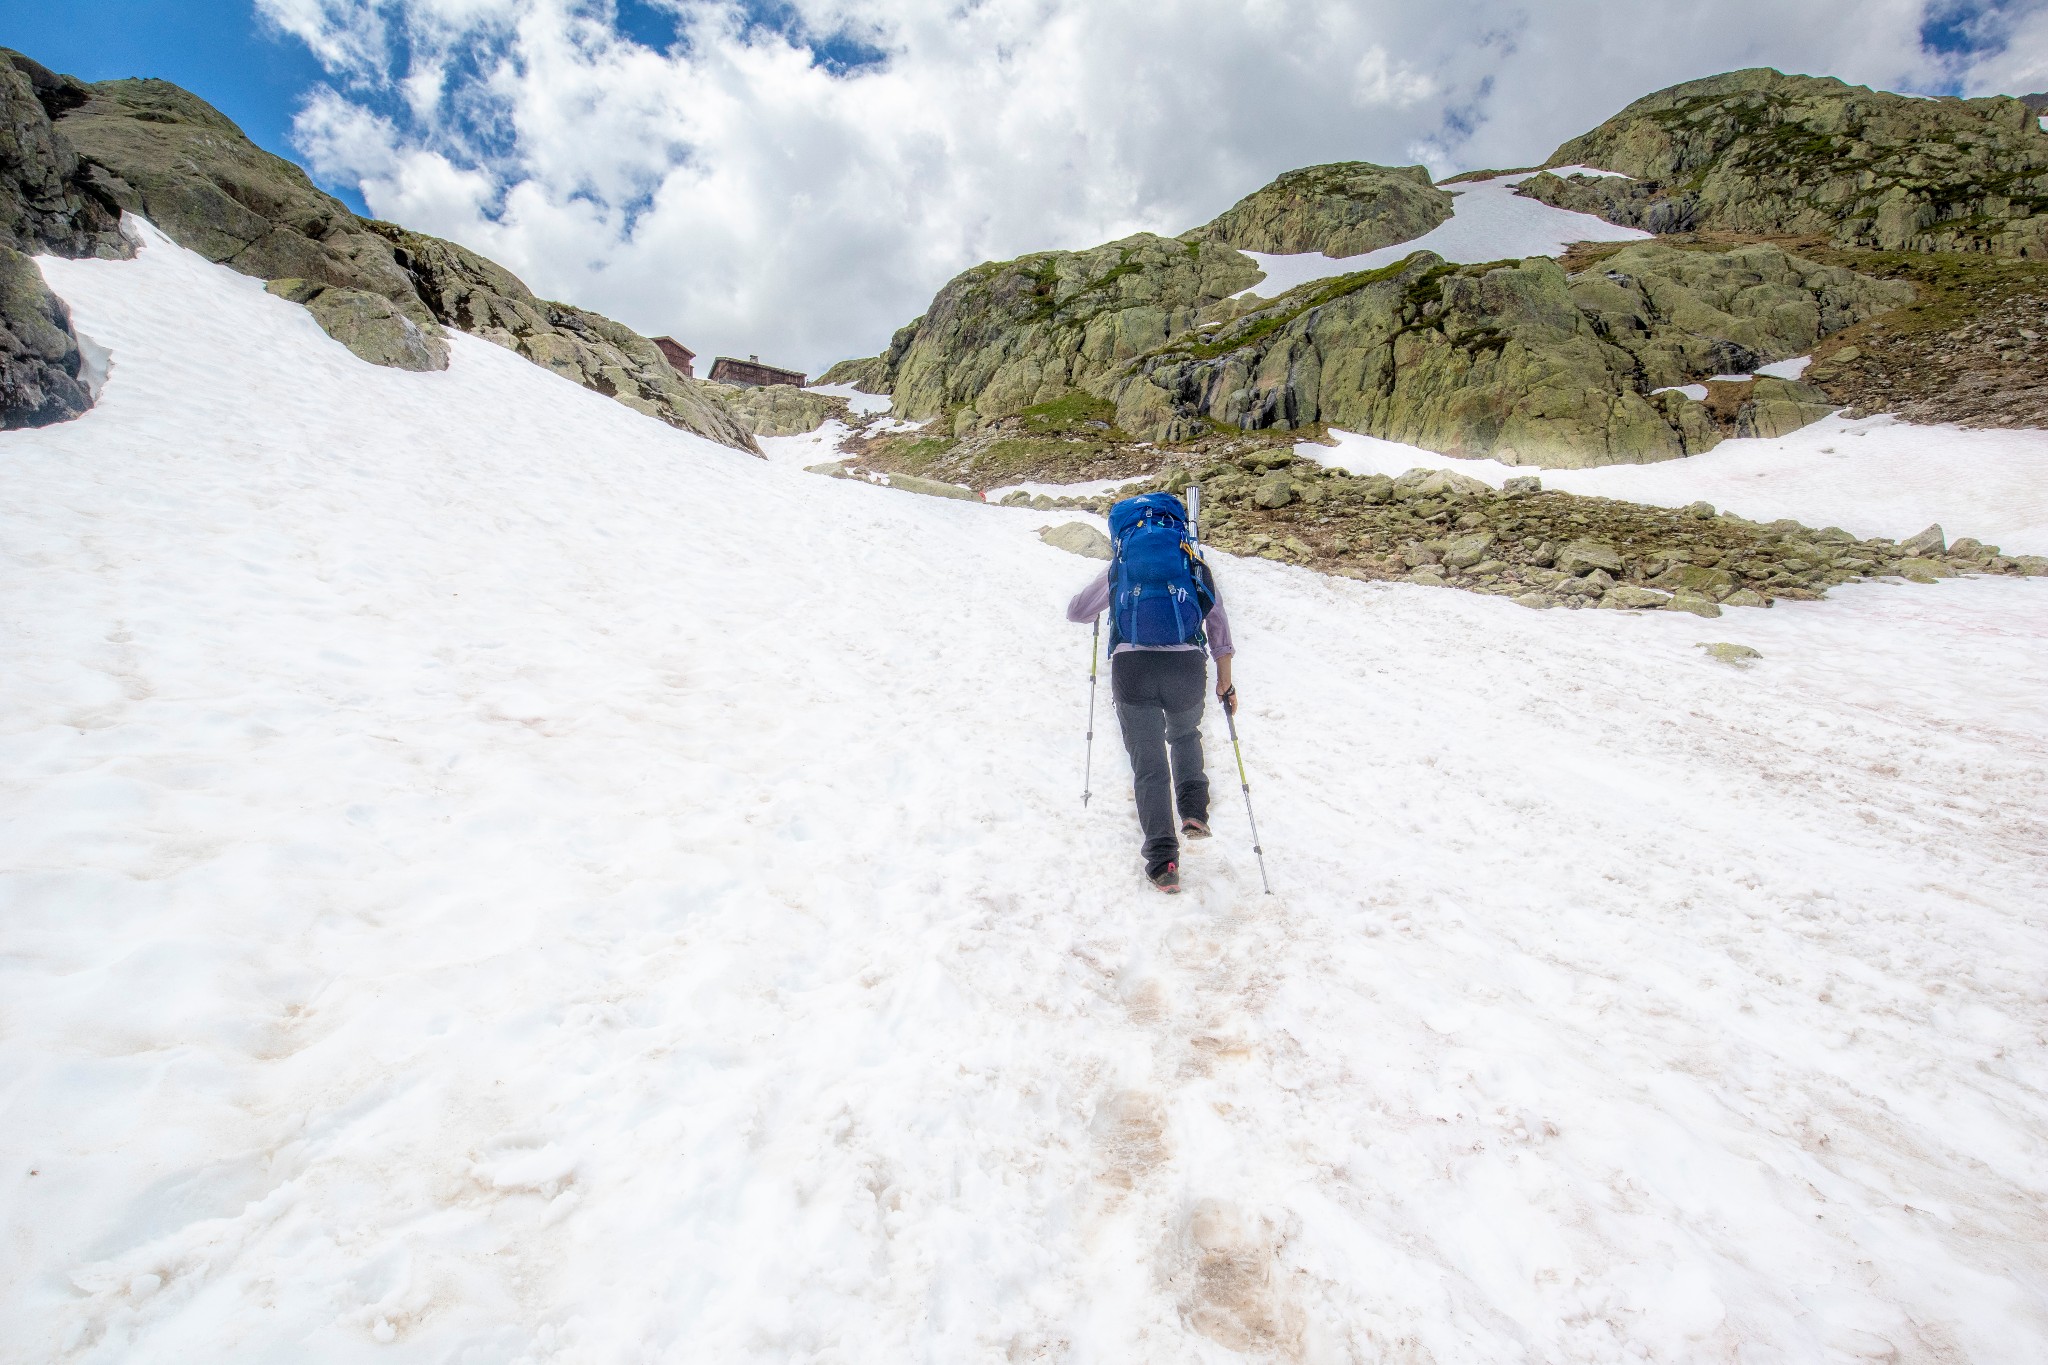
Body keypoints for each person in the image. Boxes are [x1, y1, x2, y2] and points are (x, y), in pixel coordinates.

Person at [1067, 493, 1236, 894]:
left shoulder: (1122, 568)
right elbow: (1218, 625)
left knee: (1149, 766)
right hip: (1186, 668)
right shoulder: (1189, 564)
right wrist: (1224, 681)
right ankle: (1193, 811)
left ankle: (1164, 862)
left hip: (1133, 670)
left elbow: (1076, 611)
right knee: (1184, 735)